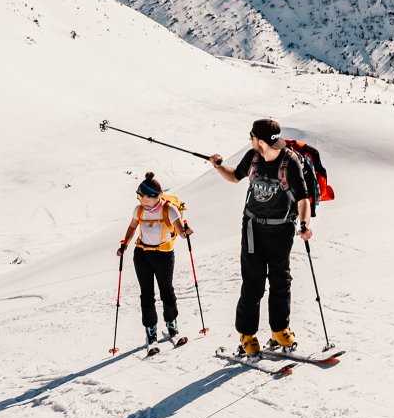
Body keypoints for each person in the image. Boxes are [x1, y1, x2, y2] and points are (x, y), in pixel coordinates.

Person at [208, 118, 315, 356]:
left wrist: (306, 223)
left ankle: (279, 330)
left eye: (252, 137)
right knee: (253, 283)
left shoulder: (290, 162)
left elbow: (303, 198)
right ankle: (247, 335)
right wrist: (217, 166)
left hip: (281, 230)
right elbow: (235, 176)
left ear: (261, 141)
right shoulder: (253, 158)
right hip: (253, 229)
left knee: (280, 281)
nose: (250, 140)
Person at [116, 172, 191, 349]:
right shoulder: (139, 210)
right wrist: (124, 245)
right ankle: (151, 333)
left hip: (164, 255)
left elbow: (180, 231)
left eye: (140, 196)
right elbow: (132, 227)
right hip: (142, 255)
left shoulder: (169, 209)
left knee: (167, 291)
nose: (139, 199)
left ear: (151, 196)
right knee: (147, 294)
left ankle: (172, 326)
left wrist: (185, 232)